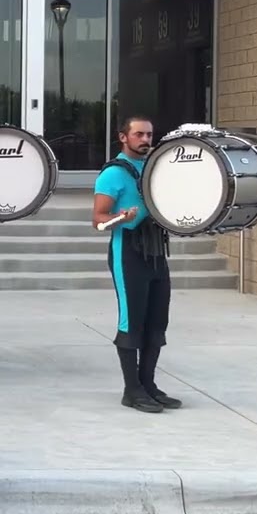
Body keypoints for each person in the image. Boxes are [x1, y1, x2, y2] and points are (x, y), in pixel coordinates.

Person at [92, 115, 182, 414]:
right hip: (128, 252)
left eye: (149, 135)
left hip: (155, 250)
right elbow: (98, 221)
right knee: (131, 321)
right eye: (139, 134)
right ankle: (131, 390)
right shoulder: (113, 174)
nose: (145, 140)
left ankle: (148, 385)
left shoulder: (154, 168)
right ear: (123, 137)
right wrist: (121, 217)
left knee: (157, 321)